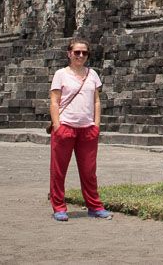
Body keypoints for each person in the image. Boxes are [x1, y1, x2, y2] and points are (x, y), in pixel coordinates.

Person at [48, 39, 111, 221]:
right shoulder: (61, 74)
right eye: (77, 52)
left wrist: (96, 124)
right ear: (69, 53)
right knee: (58, 171)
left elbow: (96, 101)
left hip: (87, 128)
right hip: (65, 126)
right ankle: (59, 207)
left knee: (89, 171)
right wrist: (57, 126)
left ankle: (95, 206)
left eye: (84, 53)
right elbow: (54, 101)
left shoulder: (92, 75)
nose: (81, 56)